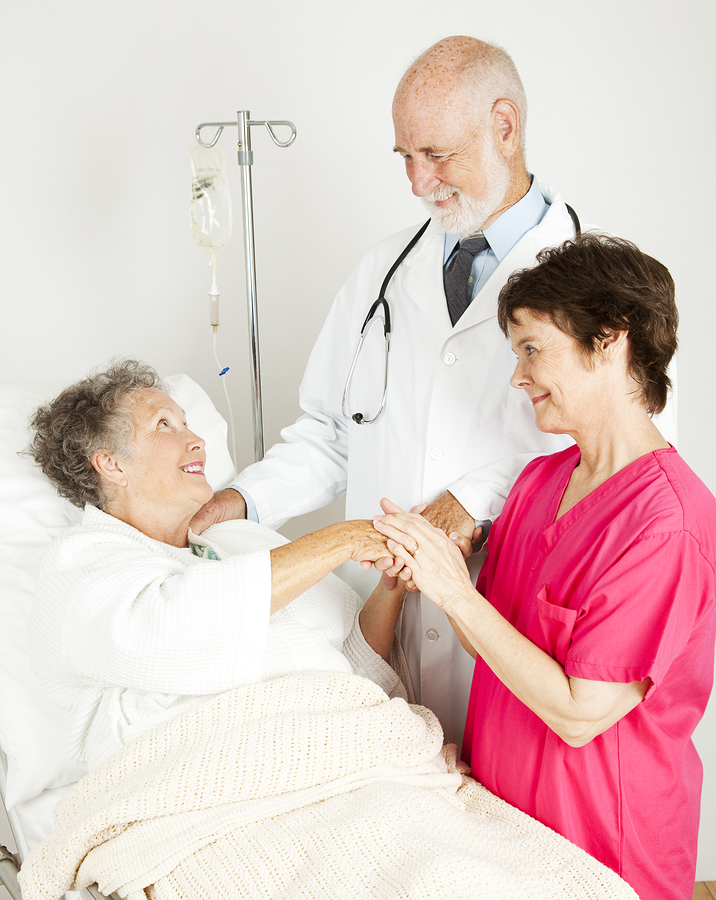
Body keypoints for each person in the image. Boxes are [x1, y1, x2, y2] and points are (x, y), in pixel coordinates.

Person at [188, 36, 676, 748]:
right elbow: (331, 431)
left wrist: (474, 498)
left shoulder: (596, 288)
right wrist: (232, 503)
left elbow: (626, 448)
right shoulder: (383, 270)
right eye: (405, 158)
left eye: (437, 155)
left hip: (507, 629)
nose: (418, 182)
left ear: (504, 127)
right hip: (384, 618)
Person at [371, 234, 715, 900]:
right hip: (506, 837)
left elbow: (579, 712)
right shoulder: (537, 482)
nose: (517, 376)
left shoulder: (667, 524)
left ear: (610, 343)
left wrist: (453, 590)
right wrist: (431, 561)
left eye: (532, 349)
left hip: (605, 856)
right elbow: (496, 638)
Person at [25, 359, 410, 771]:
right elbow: (173, 634)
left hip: (352, 748)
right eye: (164, 426)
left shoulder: (242, 541)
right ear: (112, 464)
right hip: (217, 773)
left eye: (188, 424)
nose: (197, 441)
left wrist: (391, 588)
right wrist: (342, 539)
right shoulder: (82, 562)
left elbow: (356, 658)